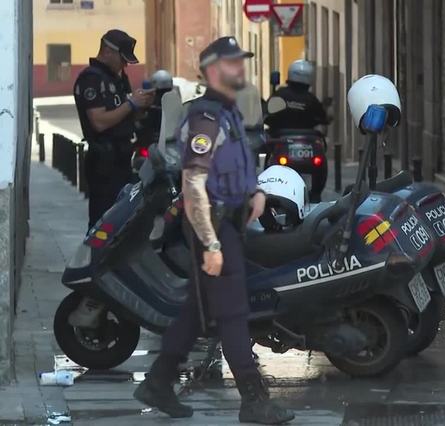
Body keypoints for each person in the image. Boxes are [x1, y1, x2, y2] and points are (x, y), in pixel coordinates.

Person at [133, 36, 295, 425]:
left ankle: (158, 382)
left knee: (196, 312)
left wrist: (254, 191)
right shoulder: (206, 119)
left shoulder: (229, 114)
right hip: (214, 227)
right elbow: (193, 184)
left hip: (228, 223)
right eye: (232, 63)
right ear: (212, 71)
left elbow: (236, 167)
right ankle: (254, 401)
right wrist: (210, 242)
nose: (240, 69)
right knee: (233, 313)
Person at [73, 29, 155, 228]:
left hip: (122, 158)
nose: (125, 64)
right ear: (108, 52)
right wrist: (131, 104)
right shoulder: (91, 79)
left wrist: (141, 105)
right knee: (103, 223)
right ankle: (95, 259)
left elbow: (123, 114)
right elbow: (99, 122)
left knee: (123, 220)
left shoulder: (117, 78)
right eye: (123, 59)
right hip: (103, 162)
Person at [264, 59, 328, 132]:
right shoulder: (311, 99)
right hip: (306, 138)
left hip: (280, 137)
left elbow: (266, 113)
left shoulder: (280, 94)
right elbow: (323, 118)